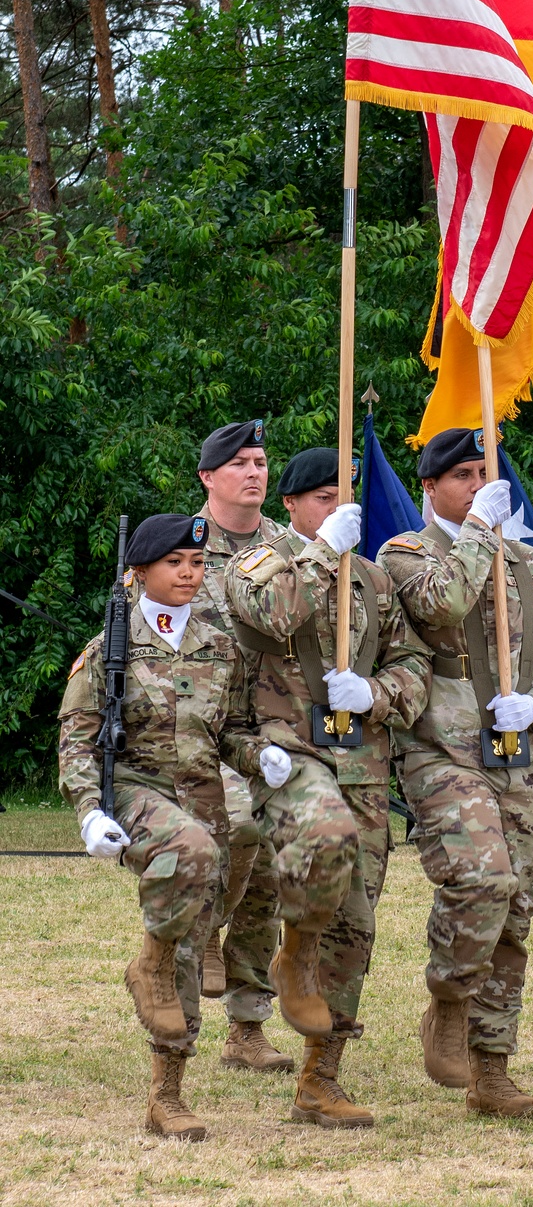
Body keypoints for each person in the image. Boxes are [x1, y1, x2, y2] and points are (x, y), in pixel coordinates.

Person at [57, 514, 288, 1141]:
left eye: (197, 563)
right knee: (189, 856)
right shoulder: (112, 645)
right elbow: (76, 740)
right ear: (139, 573)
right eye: (174, 564)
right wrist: (90, 811)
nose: (189, 574)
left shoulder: (220, 640)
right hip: (137, 790)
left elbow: (233, 728)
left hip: (203, 797)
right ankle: (149, 962)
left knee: (193, 938)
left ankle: (167, 1095)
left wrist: (257, 755)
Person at [377, 427, 533, 1119]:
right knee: (483, 878)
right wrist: (474, 530)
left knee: (518, 907)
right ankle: (448, 991)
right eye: (461, 475)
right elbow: (442, 603)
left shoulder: (532, 564)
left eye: (482, 473)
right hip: (441, 748)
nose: (475, 484)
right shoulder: (405, 553)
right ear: (430, 486)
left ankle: (491, 1069)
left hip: (516, 754)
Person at [224, 456, 431, 1128]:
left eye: (344, 498)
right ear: (291, 503)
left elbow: (412, 662)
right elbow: (275, 614)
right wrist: (321, 554)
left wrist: (377, 692)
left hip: (361, 763)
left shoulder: (371, 580)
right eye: (322, 496)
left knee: (358, 925)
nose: (337, 507)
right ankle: (294, 949)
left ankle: (320, 1079)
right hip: (289, 756)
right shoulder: (261, 563)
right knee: (325, 836)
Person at [194, 419, 290, 1074]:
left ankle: (247, 1027)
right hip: (202, 732)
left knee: (274, 873)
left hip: (272, 729)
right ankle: (196, 934)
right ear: (208, 476)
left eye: (260, 460)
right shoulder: (178, 545)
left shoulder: (287, 546)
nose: (254, 471)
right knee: (242, 825)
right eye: (240, 462)